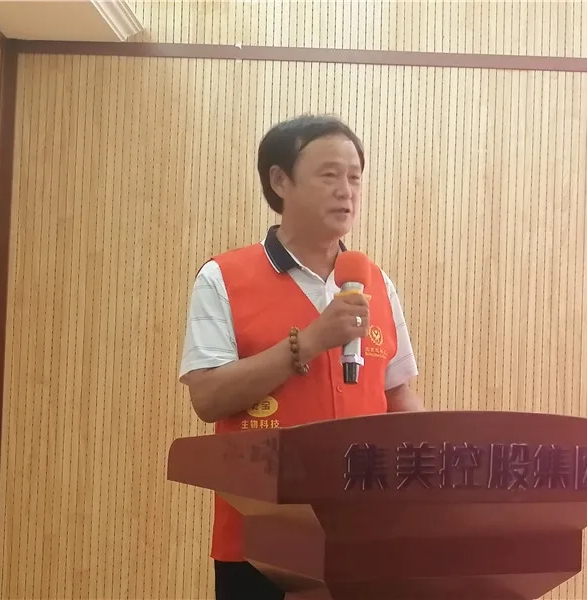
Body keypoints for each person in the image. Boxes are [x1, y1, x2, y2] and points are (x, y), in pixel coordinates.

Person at [177, 114, 425, 600]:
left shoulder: (375, 282)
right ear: (280, 181)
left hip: (364, 534)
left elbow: (397, 396)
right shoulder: (223, 277)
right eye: (329, 175)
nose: (346, 191)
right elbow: (207, 398)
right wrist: (308, 343)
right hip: (261, 542)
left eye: (355, 177)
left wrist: (441, 479)